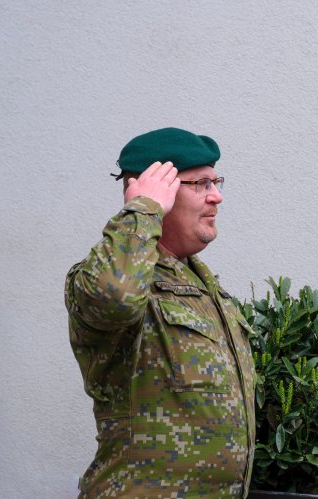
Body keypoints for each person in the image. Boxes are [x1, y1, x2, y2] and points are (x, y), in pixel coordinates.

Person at [65, 127, 256, 498]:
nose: (216, 195)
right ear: (157, 192)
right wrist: (142, 209)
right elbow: (115, 297)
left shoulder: (199, 282)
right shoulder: (110, 278)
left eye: (216, 182)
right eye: (200, 184)